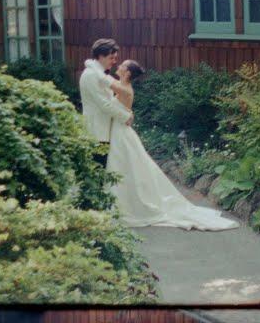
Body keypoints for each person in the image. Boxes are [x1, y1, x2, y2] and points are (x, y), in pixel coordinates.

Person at [98, 59, 240, 231]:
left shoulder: (124, 88)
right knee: (126, 167)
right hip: (119, 131)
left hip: (121, 134)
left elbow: (103, 82)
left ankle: (126, 204)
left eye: (122, 65)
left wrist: (92, 66)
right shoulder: (122, 86)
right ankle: (122, 200)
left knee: (124, 167)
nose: (118, 66)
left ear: (127, 73)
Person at [79, 39, 133, 169]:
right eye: (111, 58)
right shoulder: (91, 75)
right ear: (101, 56)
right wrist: (126, 116)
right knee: (98, 170)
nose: (114, 62)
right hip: (96, 131)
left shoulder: (99, 74)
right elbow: (104, 104)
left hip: (104, 129)